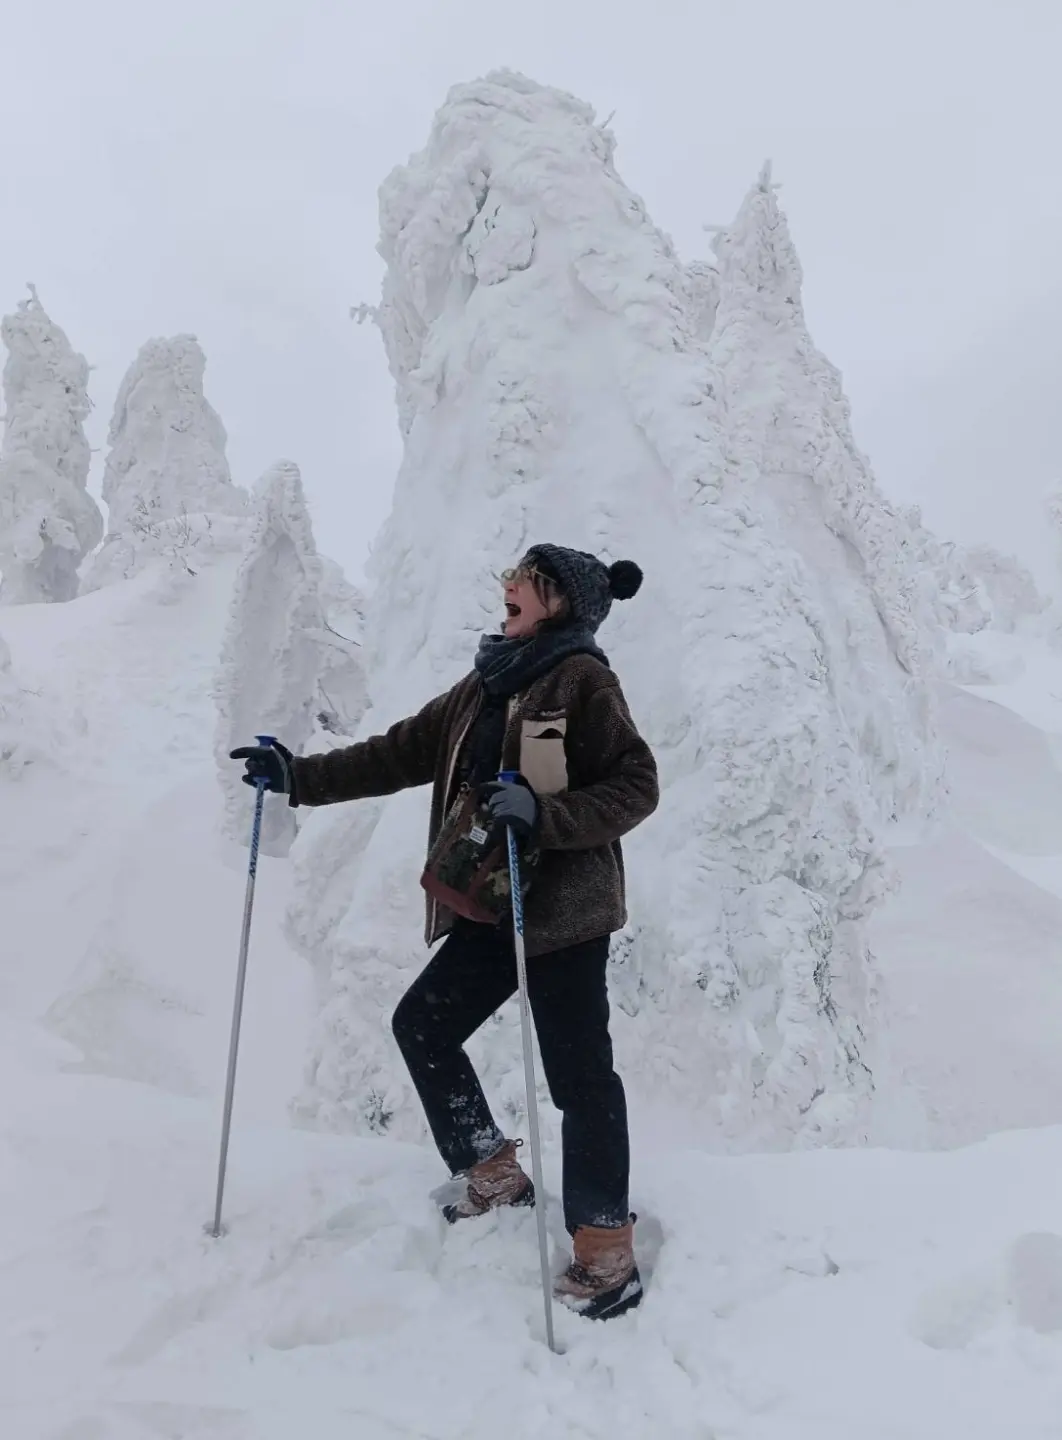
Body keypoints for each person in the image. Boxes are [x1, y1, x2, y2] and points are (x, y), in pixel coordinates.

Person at [232, 544, 658, 1320]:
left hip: (564, 917)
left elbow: (637, 785)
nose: (507, 590)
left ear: (559, 601)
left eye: (522, 583)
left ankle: (606, 1249)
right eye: (508, 581)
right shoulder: (485, 682)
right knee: (422, 1024)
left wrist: (547, 815)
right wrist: (299, 778)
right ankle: (492, 1170)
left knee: (580, 1080)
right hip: (494, 903)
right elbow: (398, 751)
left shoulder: (584, 679)